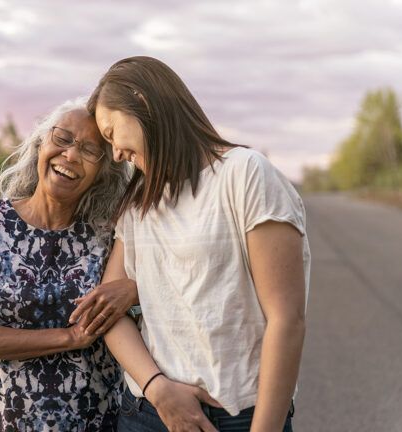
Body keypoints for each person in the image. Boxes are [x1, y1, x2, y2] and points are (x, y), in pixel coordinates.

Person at [70, 56, 310, 432]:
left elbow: (287, 320)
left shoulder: (245, 175)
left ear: (142, 102)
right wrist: (157, 388)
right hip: (150, 412)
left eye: (112, 131)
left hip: (240, 416)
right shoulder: (138, 203)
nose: (115, 153)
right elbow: (108, 312)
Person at [0, 98, 133, 431]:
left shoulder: (112, 233)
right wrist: (69, 337)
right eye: (62, 139)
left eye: (90, 151)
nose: (71, 155)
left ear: (104, 171)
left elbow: (156, 284)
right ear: (40, 144)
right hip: (4, 419)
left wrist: (133, 289)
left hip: (96, 419)